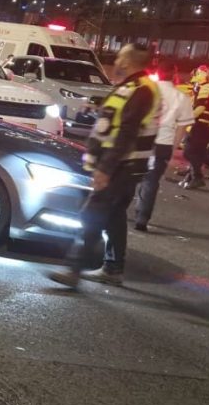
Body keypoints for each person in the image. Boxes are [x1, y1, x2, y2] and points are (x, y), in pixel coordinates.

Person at [50, 45, 160, 289]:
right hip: (123, 165)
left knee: (92, 215)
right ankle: (113, 269)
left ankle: (73, 269)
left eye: (120, 56)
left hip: (122, 166)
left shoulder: (141, 90)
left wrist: (105, 169)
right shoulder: (134, 87)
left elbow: (127, 132)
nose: (116, 60)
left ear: (129, 62)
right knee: (114, 217)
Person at [133, 60, 193, 232]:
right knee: (151, 181)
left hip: (141, 141)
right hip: (163, 144)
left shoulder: (145, 91)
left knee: (129, 176)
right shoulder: (181, 97)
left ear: (157, 73)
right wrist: (173, 149)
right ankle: (142, 219)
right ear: (174, 74)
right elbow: (182, 128)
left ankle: (120, 211)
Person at [182, 70, 209, 189]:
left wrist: (186, 117)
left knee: (188, 151)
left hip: (202, 125)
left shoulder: (206, 88)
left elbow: (201, 107)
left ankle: (197, 177)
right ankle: (191, 177)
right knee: (198, 153)